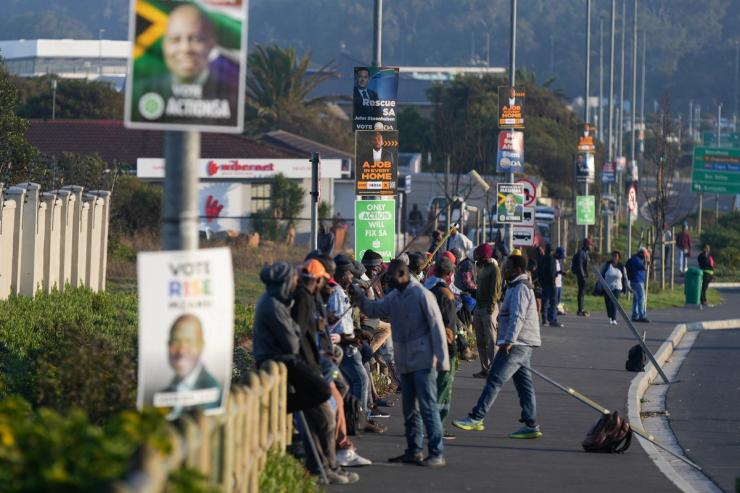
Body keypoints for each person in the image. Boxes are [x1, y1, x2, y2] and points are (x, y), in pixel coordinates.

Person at [353, 260, 450, 467]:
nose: (389, 284)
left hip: (424, 362)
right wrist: (359, 297)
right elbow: (374, 309)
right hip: (405, 362)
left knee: (428, 408)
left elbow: (437, 328)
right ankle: (414, 451)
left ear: (403, 274)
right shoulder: (395, 296)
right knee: (410, 411)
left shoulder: (422, 295)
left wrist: (443, 363)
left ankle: (436, 453)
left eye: (392, 279)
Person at [452, 253, 543, 439]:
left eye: (507, 267)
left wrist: (508, 341)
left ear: (517, 270)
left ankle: (477, 417)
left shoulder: (520, 288)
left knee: (494, 379)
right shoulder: (515, 286)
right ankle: (531, 424)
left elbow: (518, 316)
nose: (503, 270)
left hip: (517, 343)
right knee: (525, 385)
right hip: (522, 343)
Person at [291, 259, 361, 484]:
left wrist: (321, 325)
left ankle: (324, 466)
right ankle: (327, 467)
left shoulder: (308, 298)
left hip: (311, 368)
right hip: (309, 370)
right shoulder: (303, 299)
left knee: (320, 421)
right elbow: (299, 336)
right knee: (326, 419)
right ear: (318, 279)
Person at [133, 4, 240, 126]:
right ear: (164, 45)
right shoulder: (140, 93)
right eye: (175, 40)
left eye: (195, 39)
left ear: (211, 45)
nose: (185, 49)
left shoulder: (231, 95)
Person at [159, 314, 222, 417]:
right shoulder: (167, 388)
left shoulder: (212, 391)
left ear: (201, 346)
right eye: (175, 341)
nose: (181, 351)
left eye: (189, 341)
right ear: (168, 345)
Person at [424, 257, 459, 440]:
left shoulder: (424, 290)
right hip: (443, 350)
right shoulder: (446, 295)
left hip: (425, 347)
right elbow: (448, 327)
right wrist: (455, 348)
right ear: (449, 274)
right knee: (443, 389)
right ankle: (436, 427)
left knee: (429, 389)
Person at [472, 243, 502, 378]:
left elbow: (495, 290)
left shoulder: (494, 269)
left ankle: (494, 369)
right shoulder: (482, 268)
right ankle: (485, 368)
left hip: (489, 308)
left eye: (478, 255)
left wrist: (490, 310)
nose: (476, 258)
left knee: (491, 341)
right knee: (480, 341)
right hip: (479, 308)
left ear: (485, 256)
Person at [599, 251, 630, 325]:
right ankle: (610, 316)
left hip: (617, 287)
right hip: (607, 286)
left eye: (616, 256)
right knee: (608, 302)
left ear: (619, 257)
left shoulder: (621, 266)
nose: (615, 257)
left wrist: (627, 287)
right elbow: (601, 273)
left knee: (614, 302)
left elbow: (625, 277)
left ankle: (614, 318)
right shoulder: (607, 265)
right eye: (614, 256)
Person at [537, 244, 562, 327]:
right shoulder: (551, 259)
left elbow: (539, 270)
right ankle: (552, 319)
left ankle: (544, 319)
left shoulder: (542, 258)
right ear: (551, 251)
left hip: (544, 283)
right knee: (553, 302)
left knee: (545, 302)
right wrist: (553, 280)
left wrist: (541, 281)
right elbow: (551, 271)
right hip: (551, 283)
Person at [626, 249, 649, 323]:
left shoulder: (634, 259)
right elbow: (645, 268)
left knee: (636, 299)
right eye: (645, 255)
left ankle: (635, 315)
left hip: (634, 281)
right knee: (641, 298)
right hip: (638, 281)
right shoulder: (637, 260)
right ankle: (642, 315)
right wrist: (646, 259)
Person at [572, 238, 593, 316]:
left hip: (583, 275)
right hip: (581, 276)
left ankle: (581, 308)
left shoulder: (585, 253)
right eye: (590, 245)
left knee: (582, 293)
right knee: (581, 292)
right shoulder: (582, 253)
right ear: (587, 245)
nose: (591, 246)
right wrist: (583, 276)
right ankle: (580, 310)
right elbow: (580, 265)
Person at [554, 246, 567, 315]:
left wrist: (563, 272)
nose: (561, 258)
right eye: (561, 256)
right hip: (555, 283)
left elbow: (561, 269)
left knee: (558, 299)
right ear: (557, 254)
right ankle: (554, 312)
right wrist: (559, 272)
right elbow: (552, 271)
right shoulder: (553, 261)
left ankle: (558, 310)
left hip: (559, 283)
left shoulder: (560, 261)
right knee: (554, 299)